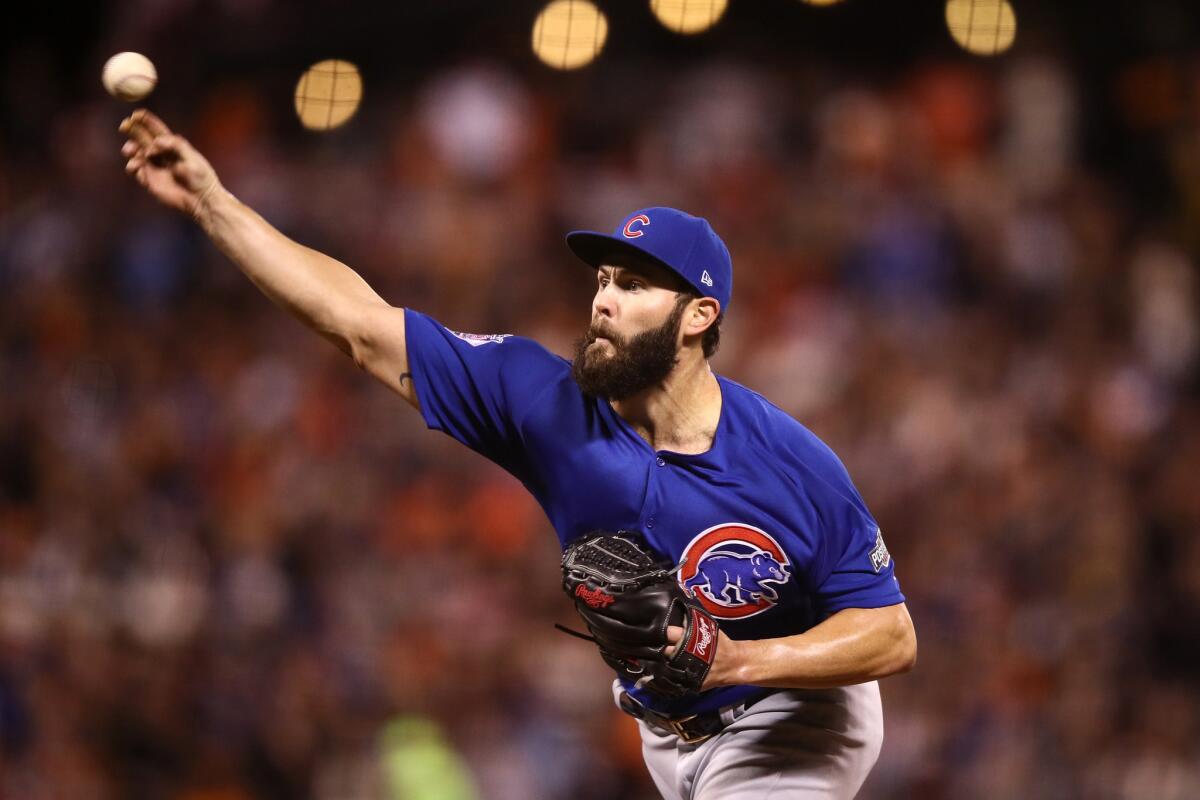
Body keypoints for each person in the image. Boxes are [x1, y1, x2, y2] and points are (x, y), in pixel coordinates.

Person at [119, 109, 917, 799]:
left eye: (635, 284)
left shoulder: (788, 462)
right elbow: (358, 323)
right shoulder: (543, 400)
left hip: (795, 715)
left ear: (699, 315)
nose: (603, 298)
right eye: (603, 277)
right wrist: (213, 206)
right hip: (666, 734)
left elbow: (891, 636)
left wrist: (736, 660)